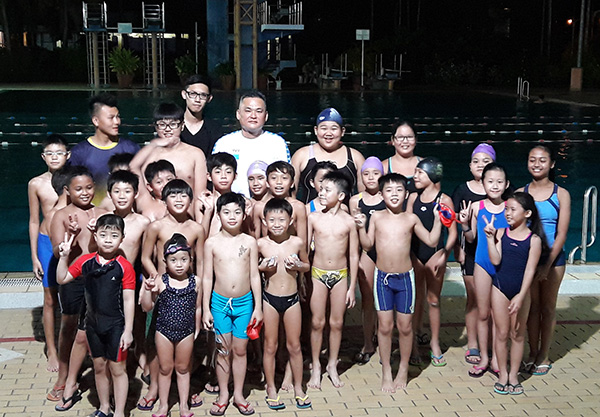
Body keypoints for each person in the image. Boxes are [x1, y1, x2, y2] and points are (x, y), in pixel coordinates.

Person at [354, 173, 442, 393]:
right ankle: (386, 372)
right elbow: (367, 245)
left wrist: (439, 220)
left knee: (404, 327)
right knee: (384, 327)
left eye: (399, 190)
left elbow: (431, 240)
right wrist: (360, 226)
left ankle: (402, 369)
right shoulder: (376, 217)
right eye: (389, 190)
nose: (394, 194)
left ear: (406, 194)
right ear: (382, 194)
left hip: (405, 279)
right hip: (382, 278)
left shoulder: (411, 219)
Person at [56, 214, 135, 417]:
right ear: (96, 237)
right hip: (93, 325)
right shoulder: (85, 262)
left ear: (122, 238)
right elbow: (62, 278)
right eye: (103, 235)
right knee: (99, 367)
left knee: (118, 370)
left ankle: (119, 412)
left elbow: (128, 300)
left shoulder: (124, 266)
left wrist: (128, 331)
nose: (108, 239)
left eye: (114, 235)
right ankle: (104, 408)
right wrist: (64, 257)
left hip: (116, 326)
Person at [49, 166, 108, 410]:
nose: (85, 193)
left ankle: (94, 373)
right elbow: (57, 251)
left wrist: (95, 233)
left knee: (89, 328)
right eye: (78, 189)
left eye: (88, 188)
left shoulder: (102, 213)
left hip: (96, 277)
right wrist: (69, 239)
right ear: (67, 190)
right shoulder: (61, 215)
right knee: (68, 326)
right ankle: (63, 377)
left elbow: (105, 248)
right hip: (73, 277)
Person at [202, 193, 263, 416]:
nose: (232, 217)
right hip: (219, 304)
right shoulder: (211, 243)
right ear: (218, 214)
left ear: (244, 214)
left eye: (237, 212)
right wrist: (206, 308)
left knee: (240, 350)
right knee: (222, 350)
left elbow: (255, 276)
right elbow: (207, 277)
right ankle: (223, 395)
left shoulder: (249, 242)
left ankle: (238, 394)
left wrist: (258, 307)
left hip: (245, 303)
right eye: (226, 212)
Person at [484, 192, 546, 395]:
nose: (507, 213)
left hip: (521, 291)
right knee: (501, 334)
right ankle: (503, 374)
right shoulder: (501, 233)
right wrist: (490, 240)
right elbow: (495, 261)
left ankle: (513, 376)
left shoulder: (534, 240)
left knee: (517, 335)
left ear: (527, 213)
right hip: (500, 288)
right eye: (506, 209)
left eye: (512, 209)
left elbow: (530, 270)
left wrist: (521, 295)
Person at [518, 145, 571, 376]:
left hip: (553, 260)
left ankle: (544, 354)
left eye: (542, 160)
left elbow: (561, 233)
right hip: (528, 259)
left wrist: (547, 265)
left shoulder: (561, 194)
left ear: (551, 164)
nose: (536, 164)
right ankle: (532, 351)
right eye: (532, 160)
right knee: (531, 308)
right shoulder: (522, 193)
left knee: (548, 308)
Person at [307, 171, 359, 389]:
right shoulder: (313, 218)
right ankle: (316, 365)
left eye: (327, 190)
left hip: (340, 276)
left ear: (341, 196)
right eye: (321, 189)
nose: (321, 192)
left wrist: (352, 286)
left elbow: (354, 254)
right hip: (318, 274)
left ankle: (331, 365)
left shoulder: (349, 222)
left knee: (336, 323)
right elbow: (305, 249)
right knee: (317, 322)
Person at [141, 233, 202, 417]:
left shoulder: (195, 282)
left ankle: (184, 405)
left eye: (184, 259)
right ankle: (163, 405)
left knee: (183, 369)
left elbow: (197, 308)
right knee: (165, 369)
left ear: (191, 260)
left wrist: (197, 327)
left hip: (186, 332)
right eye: (173, 260)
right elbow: (147, 307)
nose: (179, 264)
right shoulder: (161, 281)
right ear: (165, 261)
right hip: (164, 332)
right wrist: (147, 290)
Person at [258, 199, 311, 410]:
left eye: (282, 219)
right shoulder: (261, 244)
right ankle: (271, 387)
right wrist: (262, 267)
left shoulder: (297, 243)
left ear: (291, 221)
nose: (277, 224)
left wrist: (299, 265)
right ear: (264, 221)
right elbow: (253, 270)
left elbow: (307, 265)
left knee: (294, 345)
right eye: (272, 220)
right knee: (270, 346)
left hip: (292, 300)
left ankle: (299, 388)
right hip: (269, 299)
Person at [458, 163, 510, 378]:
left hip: (504, 266)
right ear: (483, 183)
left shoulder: (510, 207)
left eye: (499, 182)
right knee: (482, 312)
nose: (495, 186)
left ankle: (497, 359)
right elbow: (471, 239)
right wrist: (464, 225)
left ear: (506, 184)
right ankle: (485, 358)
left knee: (499, 316)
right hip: (481, 264)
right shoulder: (476, 207)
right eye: (490, 181)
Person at [407, 157, 457, 366]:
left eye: (420, 172)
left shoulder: (444, 199)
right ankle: (415, 343)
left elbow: (453, 232)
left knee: (433, 300)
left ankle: (435, 344)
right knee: (415, 300)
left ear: (432, 175)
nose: (415, 176)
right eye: (416, 172)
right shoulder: (412, 198)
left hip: (436, 255)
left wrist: (445, 254)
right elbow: (408, 229)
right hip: (415, 254)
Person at [28, 134, 70, 373]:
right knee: (49, 298)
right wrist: (34, 256)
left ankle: (71, 346)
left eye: (60, 153)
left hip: (69, 242)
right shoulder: (36, 184)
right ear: (43, 157)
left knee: (73, 297)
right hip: (46, 243)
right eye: (50, 153)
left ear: (68, 155)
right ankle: (52, 351)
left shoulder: (76, 180)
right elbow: (34, 221)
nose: (55, 157)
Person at [451, 143, 496, 365]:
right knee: (474, 299)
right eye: (476, 161)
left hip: (495, 251)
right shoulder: (461, 190)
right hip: (469, 250)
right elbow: (451, 223)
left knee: (493, 301)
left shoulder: (500, 189)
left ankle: (490, 343)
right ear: (470, 166)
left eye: (485, 161)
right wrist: (456, 249)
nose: (480, 165)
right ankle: (473, 345)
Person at [212, 90, 290, 197]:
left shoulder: (277, 143)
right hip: (232, 208)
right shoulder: (224, 143)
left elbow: (286, 181)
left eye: (259, 111)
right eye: (248, 110)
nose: (253, 116)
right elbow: (214, 182)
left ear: (266, 116)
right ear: (238, 114)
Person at [68, 93, 139, 204]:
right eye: (111, 118)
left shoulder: (131, 149)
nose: (117, 122)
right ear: (96, 121)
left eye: (118, 117)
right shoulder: (79, 153)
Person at [348, 157, 386, 364]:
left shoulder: (388, 197)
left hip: (386, 253)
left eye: (375, 173)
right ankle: (368, 342)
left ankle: (384, 339)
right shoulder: (355, 201)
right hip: (366, 253)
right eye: (366, 174)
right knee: (368, 301)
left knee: (385, 301)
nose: (371, 177)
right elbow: (353, 233)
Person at [130, 102, 207, 197]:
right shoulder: (147, 155)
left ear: (182, 125)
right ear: (155, 127)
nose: (167, 129)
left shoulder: (196, 154)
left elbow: (200, 195)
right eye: (162, 125)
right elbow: (141, 191)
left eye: (173, 124)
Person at [292, 108, 365, 204]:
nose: (328, 133)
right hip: (310, 216)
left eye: (334, 129)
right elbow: (291, 195)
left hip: (345, 216)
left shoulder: (355, 157)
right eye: (323, 128)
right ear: (316, 130)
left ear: (342, 131)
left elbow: (363, 195)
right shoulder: (301, 155)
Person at [253, 161, 307, 244]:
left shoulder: (298, 207)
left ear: (292, 183)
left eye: (284, 178)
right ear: (267, 182)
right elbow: (255, 240)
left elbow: (303, 241)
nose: (279, 182)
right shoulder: (259, 207)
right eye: (274, 178)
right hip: (267, 254)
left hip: (291, 254)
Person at [180, 74, 224, 157]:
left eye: (203, 95)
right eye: (193, 94)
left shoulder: (214, 129)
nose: (197, 100)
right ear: (184, 94)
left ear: (209, 99)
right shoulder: (173, 127)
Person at [196, 152, 238, 236]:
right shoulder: (202, 202)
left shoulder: (240, 202)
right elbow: (200, 237)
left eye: (228, 172)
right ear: (209, 176)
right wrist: (208, 211)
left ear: (235, 176)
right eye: (218, 172)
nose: (223, 176)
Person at [382, 120, 422, 193]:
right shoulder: (383, 167)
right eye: (400, 137)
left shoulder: (426, 166)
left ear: (416, 139)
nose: (405, 141)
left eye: (410, 137)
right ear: (393, 140)